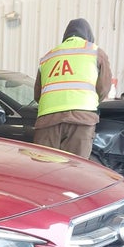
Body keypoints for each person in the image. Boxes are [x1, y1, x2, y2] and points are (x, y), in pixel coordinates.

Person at [33, 18, 112, 158]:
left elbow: (37, 95)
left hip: (47, 121)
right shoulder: (95, 52)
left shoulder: (48, 57)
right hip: (81, 120)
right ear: (88, 35)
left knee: (43, 171)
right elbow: (104, 88)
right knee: (74, 171)